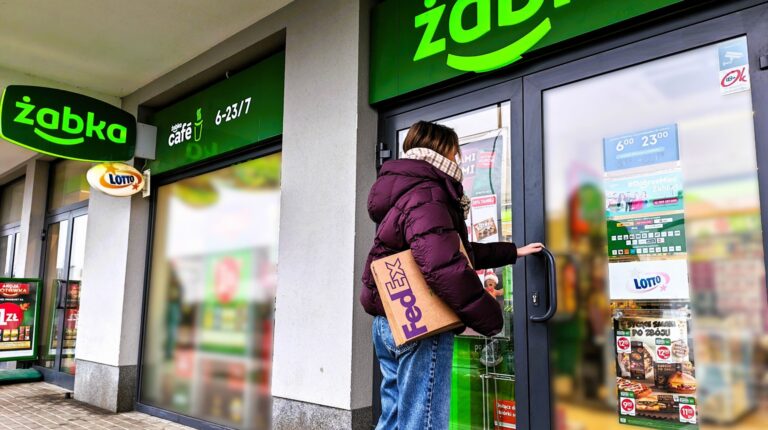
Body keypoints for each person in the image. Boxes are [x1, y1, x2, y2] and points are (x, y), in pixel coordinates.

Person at [361, 121, 543, 429]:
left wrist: (513, 251)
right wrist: (490, 317)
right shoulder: (428, 192)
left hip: (389, 321)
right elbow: (441, 265)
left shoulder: (403, 190)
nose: (458, 158)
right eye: (455, 151)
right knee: (423, 423)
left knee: (392, 418)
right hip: (421, 327)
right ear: (443, 150)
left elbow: (451, 251)